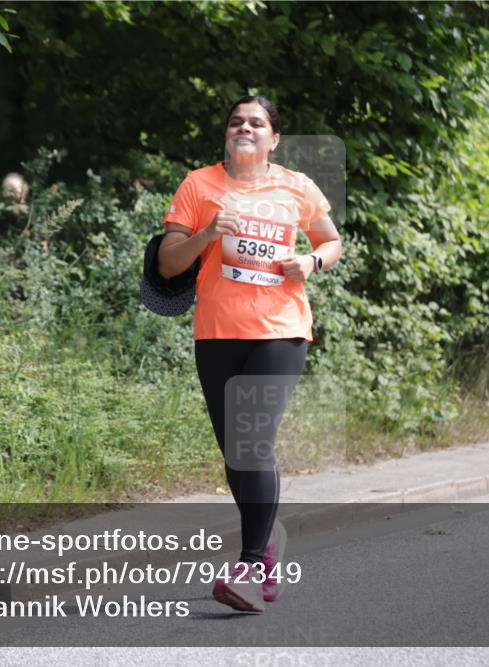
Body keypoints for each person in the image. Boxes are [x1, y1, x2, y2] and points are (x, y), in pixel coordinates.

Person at [157, 95, 342, 613]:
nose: (245, 128)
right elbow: (169, 264)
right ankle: (269, 542)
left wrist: (311, 261)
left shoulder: (297, 186)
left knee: (253, 444)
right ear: (227, 134)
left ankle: (250, 566)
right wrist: (208, 233)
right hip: (217, 333)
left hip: (280, 331)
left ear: (273, 138)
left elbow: (331, 242)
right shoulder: (199, 185)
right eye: (236, 121)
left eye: (256, 123)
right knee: (236, 454)